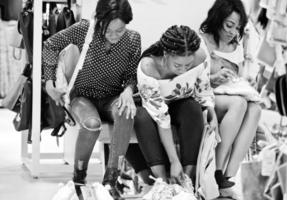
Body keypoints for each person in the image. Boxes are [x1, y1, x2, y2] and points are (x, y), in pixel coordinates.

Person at [42, 0, 141, 199]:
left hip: (112, 96)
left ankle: (111, 180)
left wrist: (129, 91)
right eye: (108, 30)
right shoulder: (84, 29)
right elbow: (50, 45)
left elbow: (132, 75)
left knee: (126, 112)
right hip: (82, 96)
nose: (113, 36)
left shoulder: (133, 39)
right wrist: (49, 82)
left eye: (119, 30)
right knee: (91, 124)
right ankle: (79, 178)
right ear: (99, 20)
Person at [134, 25, 218, 184]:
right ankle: (163, 184)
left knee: (192, 107)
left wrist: (211, 113)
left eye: (188, 65)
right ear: (166, 55)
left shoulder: (200, 56)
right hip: (151, 111)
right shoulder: (149, 67)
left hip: (180, 104)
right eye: (178, 65)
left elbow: (203, 91)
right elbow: (161, 118)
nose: (183, 70)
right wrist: (174, 161)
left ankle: (186, 181)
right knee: (141, 117)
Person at [199, 0, 262, 198]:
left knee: (255, 109)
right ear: (217, 19)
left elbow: (243, 76)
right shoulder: (202, 41)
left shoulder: (238, 44)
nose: (233, 32)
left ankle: (228, 175)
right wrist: (214, 78)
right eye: (229, 25)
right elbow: (193, 81)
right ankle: (216, 169)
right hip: (207, 97)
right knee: (239, 103)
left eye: (237, 27)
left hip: (230, 95)